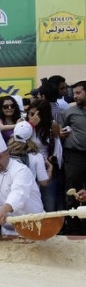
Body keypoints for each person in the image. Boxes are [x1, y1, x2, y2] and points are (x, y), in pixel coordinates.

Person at [59, 80, 86, 234]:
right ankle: (74, 228)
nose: (75, 96)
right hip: (75, 157)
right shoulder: (68, 112)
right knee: (73, 192)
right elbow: (59, 134)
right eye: (74, 93)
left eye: (78, 93)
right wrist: (61, 135)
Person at [8, 121, 51, 188]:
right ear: (31, 136)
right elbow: (44, 182)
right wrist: (50, 168)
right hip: (30, 196)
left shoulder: (6, 154)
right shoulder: (37, 156)